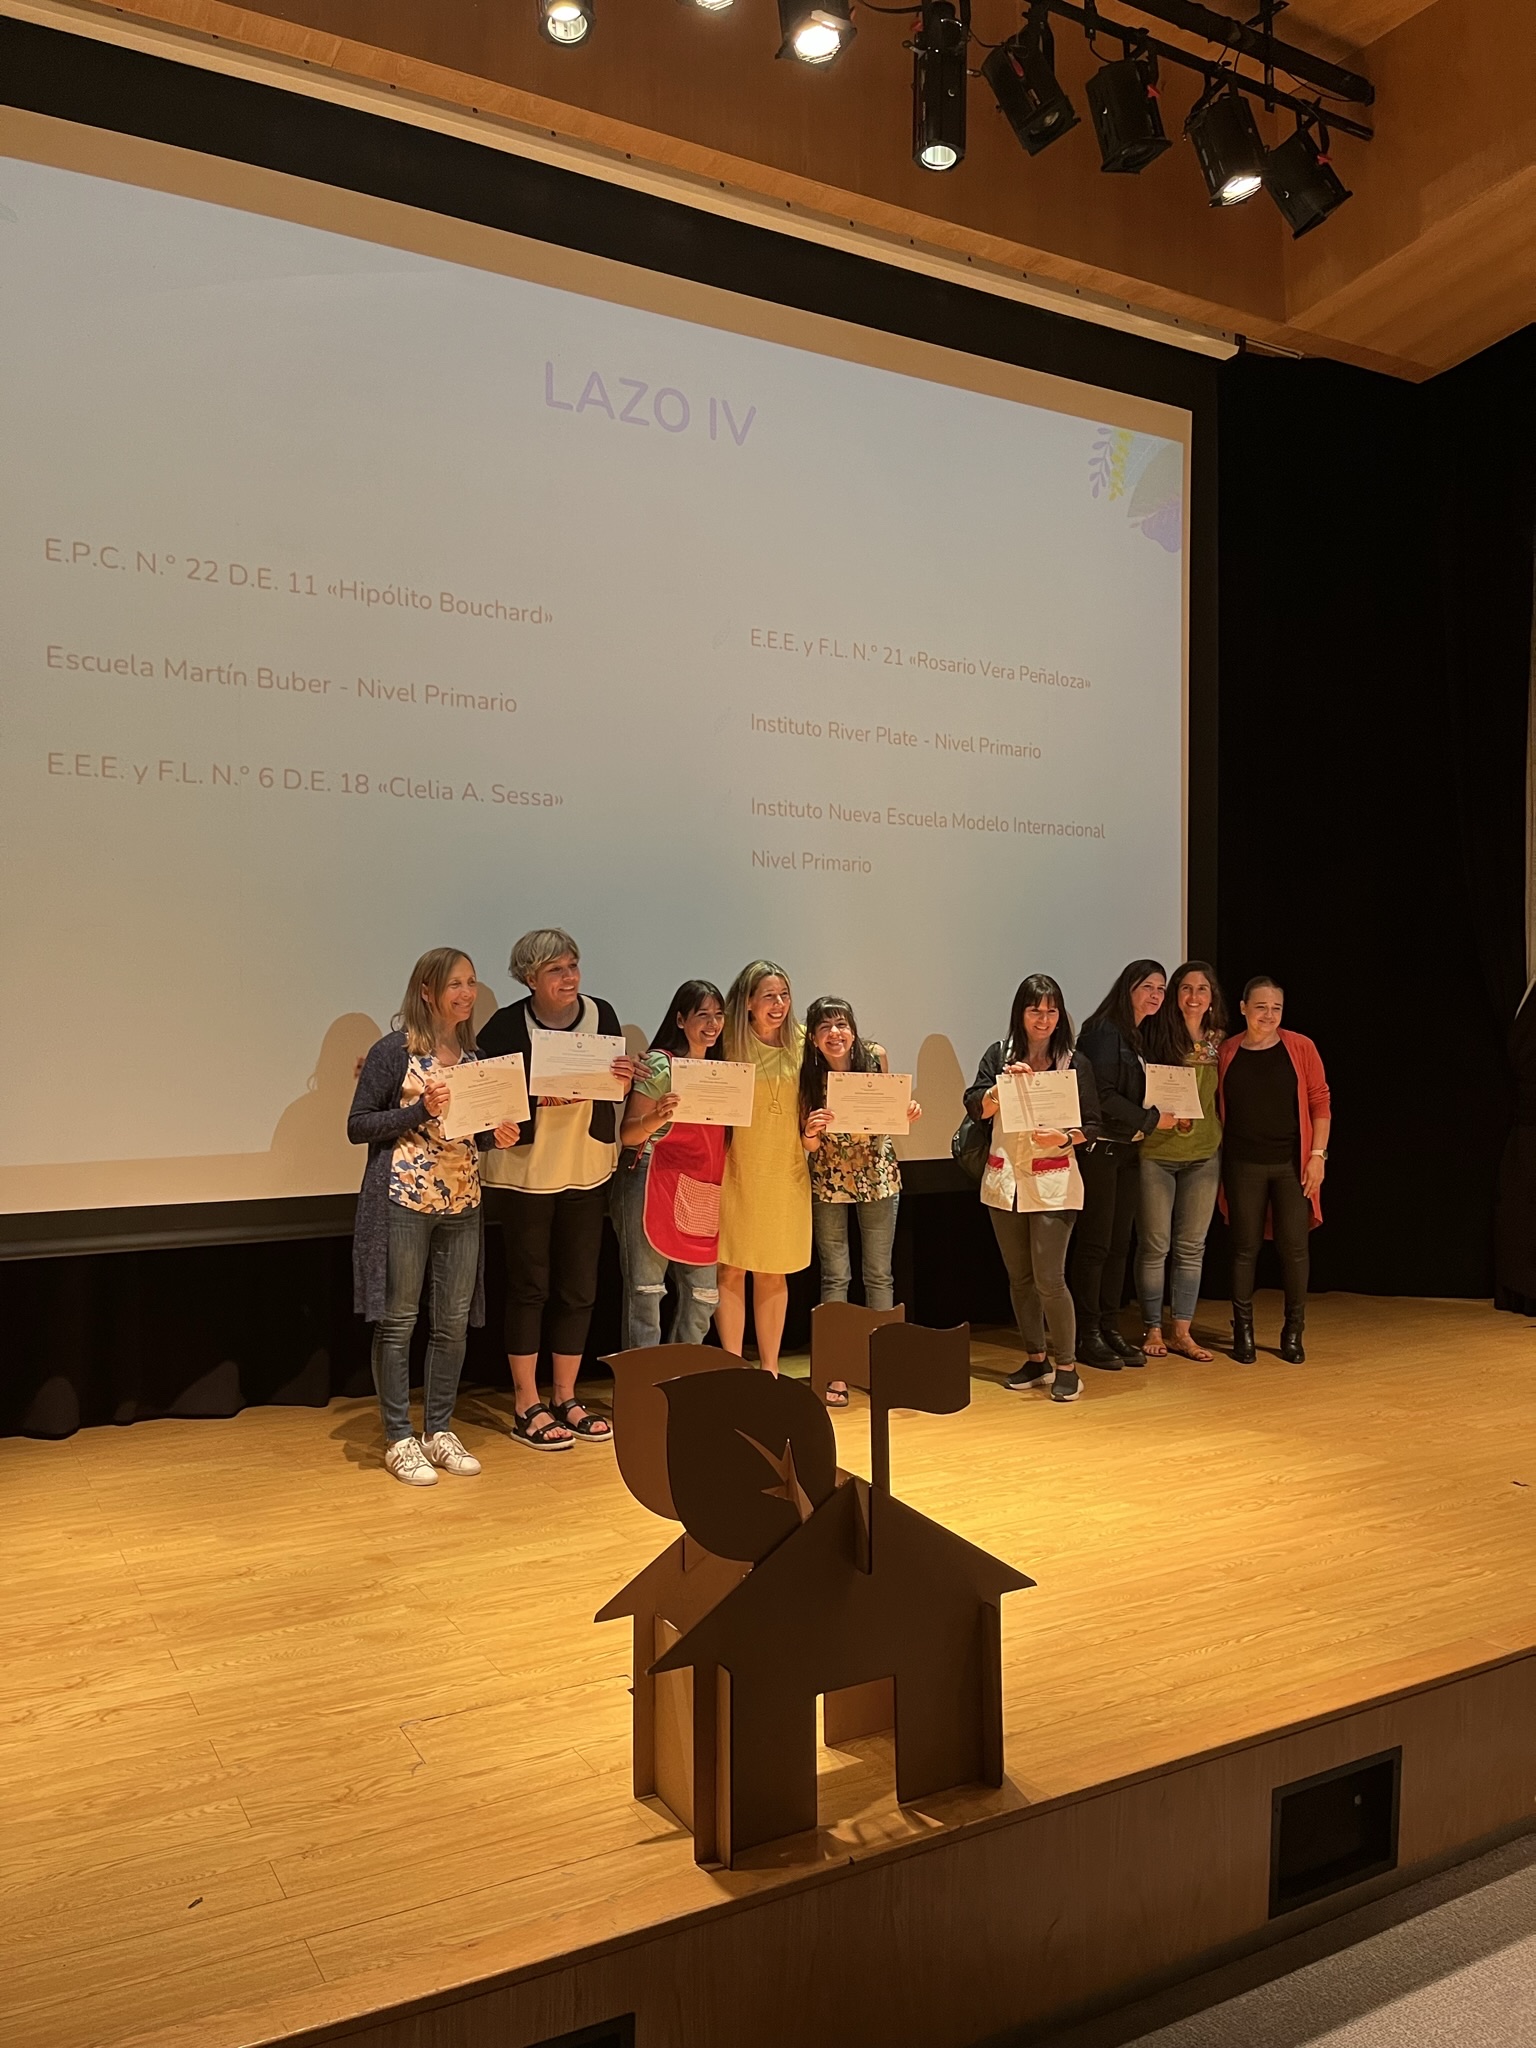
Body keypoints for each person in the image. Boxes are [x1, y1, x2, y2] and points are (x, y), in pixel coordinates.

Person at [347, 948, 520, 1487]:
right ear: (426, 991)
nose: (467, 994)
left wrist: (497, 1136)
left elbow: (473, 1132)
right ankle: (399, 1437)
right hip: (403, 1201)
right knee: (399, 1321)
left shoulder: (475, 1058)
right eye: (455, 984)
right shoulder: (394, 1051)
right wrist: (419, 1110)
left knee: (451, 1323)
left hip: (463, 1203)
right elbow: (358, 1125)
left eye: (471, 982)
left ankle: (438, 1430)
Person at [477, 929, 638, 1448]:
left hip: (585, 1166)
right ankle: (526, 1403)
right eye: (556, 970)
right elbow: (485, 1096)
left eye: (572, 966)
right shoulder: (506, 1026)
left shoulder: (601, 1014)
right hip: (526, 1173)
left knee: (579, 1289)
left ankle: (565, 1396)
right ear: (530, 978)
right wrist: (533, 1099)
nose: (569, 978)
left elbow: (612, 1088)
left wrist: (624, 1078)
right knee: (530, 1288)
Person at [964, 974, 1102, 1404]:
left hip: (1054, 1181)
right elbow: (976, 1106)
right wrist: (1002, 1088)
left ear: (1061, 1016)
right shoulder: (999, 1055)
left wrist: (1064, 1138)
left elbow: (1093, 1125)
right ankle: (1035, 1358)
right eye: (1035, 1010)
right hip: (1005, 1179)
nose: (1043, 1019)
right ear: (1020, 1014)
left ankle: (1067, 1367)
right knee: (1020, 1279)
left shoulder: (1074, 1063)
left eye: (1051, 1011)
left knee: (1049, 1279)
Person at [799, 995, 923, 1407]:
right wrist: (810, 1131)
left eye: (842, 1025)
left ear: (853, 1030)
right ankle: (835, 1369)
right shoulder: (808, 1072)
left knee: (879, 1275)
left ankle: (881, 1365)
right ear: (813, 1037)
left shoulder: (874, 1057)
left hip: (876, 1175)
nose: (835, 1034)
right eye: (825, 1027)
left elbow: (889, 1117)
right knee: (835, 1276)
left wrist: (906, 1111)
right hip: (829, 1177)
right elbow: (808, 1144)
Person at [1218, 975, 1332, 1364]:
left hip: (1291, 1166)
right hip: (1242, 1165)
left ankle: (1293, 1331)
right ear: (1243, 1008)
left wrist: (1318, 1155)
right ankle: (1243, 1331)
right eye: (1261, 1007)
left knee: (1294, 1249)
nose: (1268, 1015)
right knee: (1243, 1249)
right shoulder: (1226, 1051)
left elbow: (1320, 1102)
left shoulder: (1301, 1047)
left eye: (1276, 1008)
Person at [1072, 960, 1178, 1370]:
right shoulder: (1103, 1031)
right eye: (1148, 986)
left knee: (1119, 1246)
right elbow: (1101, 1094)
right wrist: (1150, 1120)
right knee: (1096, 1245)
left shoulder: (1139, 1035)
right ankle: (1088, 1334)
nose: (1156, 995)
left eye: (1161, 989)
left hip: (1128, 1152)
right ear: (1128, 987)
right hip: (1101, 1150)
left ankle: (1110, 1327)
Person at [616, 980, 728, 1349]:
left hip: (700, 1184)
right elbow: (629, 1134)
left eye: (718, 1015)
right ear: (680, 1020)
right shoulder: (660, 1065)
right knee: (646, 1293)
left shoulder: (723, 1073)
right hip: (651, 1179)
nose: (712, 1024)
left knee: (704, 1297)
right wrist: (657, 1117)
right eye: (702, 1015)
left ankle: (681, 1372)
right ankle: (645, 1381)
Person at [716, 960, 811, 1375]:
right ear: (748, 1002)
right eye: (769, 996)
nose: (779, 1004)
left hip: (784, 1171)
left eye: (784, 995)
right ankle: (734, 1367)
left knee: (773, 1272)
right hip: (735, 1170)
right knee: (731, 1268)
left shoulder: (803, 1042)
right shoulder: (727, 1042)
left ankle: (770, 1370)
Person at [1136, 961, 1227, 1361]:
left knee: (1192, 1247)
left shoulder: (1220, 1041)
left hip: (1203, 1154)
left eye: (1202, 989)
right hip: (1157, 1152)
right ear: (1175, 994)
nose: (1194, 996)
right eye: (1186, 988)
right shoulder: (1153, 1033)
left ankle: (1182, 1332)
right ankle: (1153, 1328)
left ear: (1212, 997)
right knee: (1155, 1245)